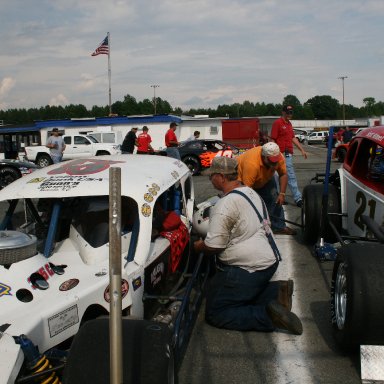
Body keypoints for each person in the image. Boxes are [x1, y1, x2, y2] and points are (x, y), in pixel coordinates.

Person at [194, 157, 302, 335]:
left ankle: (267, 317)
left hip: (248, 268)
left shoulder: (224, 204)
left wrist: (198, 246)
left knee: (216, 312)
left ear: (221, 176)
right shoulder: (249, 192)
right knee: (223, 290)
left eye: (211, 175)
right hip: (269, 261)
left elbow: (214, 246)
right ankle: (276, 292)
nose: (209, 179)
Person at [237, 142, 296, 235]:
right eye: (271, 162)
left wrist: (282, 194)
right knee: (246, 204)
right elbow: (247, 190)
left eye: (276, 161)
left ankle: (278, 226)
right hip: (243, 181)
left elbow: (283, 174)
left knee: (275, 198)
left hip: (264, 177)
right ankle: (248, 228)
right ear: (263, 156)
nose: (274, 164)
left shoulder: (278, 157)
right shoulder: (251, 164)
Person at [270, 105, 307, 208]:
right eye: (288, 112)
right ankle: (283, 197)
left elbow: (293, 138)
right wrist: (273, 154)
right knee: (280, 176)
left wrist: (302, 150)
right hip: (279, 154)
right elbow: (273, 139)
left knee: (289, 175)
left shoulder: (289, 124)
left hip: (288, 154)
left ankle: (295, 198)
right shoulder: (277, 123)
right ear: (283, 112)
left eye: (291, 112)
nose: (290, 114)